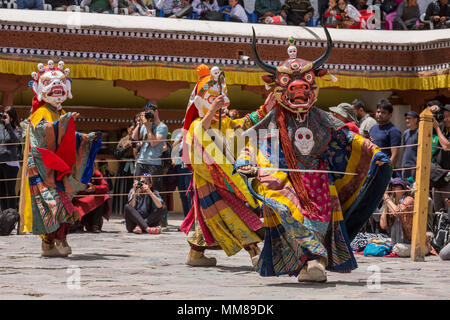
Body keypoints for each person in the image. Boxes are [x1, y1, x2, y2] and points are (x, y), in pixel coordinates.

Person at [237, 27, 392, 282]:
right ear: (277, 86)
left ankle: (315, 261)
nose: (299, 90)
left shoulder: (322, 118)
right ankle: (310, 260)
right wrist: (246, 161)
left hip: (320, 180)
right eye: (289, 83)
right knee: (291, 214)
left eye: (306, 82)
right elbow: (255, 143)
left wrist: (373, 153)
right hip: (285, 178)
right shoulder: (273, 121)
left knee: (319, 221)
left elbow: (348, 138)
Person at [180, 64, 275, 268]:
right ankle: (254, 251)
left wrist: (265, 108)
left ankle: (195, 254)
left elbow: (244, 125)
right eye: (213, 99)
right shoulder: (198, 123)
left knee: (207, 219)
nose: (220, 103)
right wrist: (213, 108)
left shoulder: (224, 124)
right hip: (209, 180)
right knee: (230, 213)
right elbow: (199, 132)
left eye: (221, 98)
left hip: (225, 180)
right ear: (199, 102)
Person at [23, 61, 102, 257]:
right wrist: (62, 123)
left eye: (61, 83)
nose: (56, 88)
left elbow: (68, 136)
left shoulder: (61, 112)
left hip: (60, 168)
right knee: (51, 204)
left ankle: (54, 241)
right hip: (44, 169)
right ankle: (53, 240)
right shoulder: (40, 113)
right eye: (50, 83)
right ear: (39, 89)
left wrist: (84, 138)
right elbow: (41, 135)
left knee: (64, 202)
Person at [132, 104, 168, 194]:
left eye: (150, 111)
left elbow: (153, 143)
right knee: (138, 187)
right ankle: (138, 207)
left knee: (152, 190)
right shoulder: (145, 125)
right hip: (141, 163)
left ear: (156, 111)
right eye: (146, 111)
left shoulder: (162, 127)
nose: (148, 113)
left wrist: (147, 126)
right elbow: (134, 137)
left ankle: (154, 208)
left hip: (152, 165)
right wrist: (139, 124)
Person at [380, 178, 415, 257]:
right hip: (397, 242)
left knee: (398, 248)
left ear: (403, 190)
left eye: (396, 186)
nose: (393, 188)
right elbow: (383, 225)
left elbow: (397, 212)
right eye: (392, 186)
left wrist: (386, 198)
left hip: (411, 242)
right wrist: (386, 203)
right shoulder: (392, 202)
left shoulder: (409, 199)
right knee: (372, 243)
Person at [369, 99, 402, 171]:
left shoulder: (394, 131)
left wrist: (387, 170)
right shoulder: (372, 128)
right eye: (378, 112)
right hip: (371, 167)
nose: (380, 114)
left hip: (384, 169)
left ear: (390, 115)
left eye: (383, 112)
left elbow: (395, 155)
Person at [112, 123, 135, 217]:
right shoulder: (122, 140)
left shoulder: (139, 139)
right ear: (128, 129)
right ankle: (124, 214)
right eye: (131, 128)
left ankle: (134, 213)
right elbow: (116, 155)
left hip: (135, 166)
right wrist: (124, 147)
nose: (132, 130)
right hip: (123, 168)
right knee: (123, 190)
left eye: (134, 129)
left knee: (134, 188)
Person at [0, 106, 20, 211]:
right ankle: (3, 216)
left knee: (10, 192)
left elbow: (16, 140)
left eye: (6, 114)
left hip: (10, 164)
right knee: (1, 192)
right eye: (3, 113)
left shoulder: (16, 128)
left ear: (11, 117)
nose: (3, 116)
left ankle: (12, 214)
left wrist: (8, 125)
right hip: (0, 162)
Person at [430, 104, 450, 212]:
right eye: (444, 116)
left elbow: (447, 146)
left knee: (448, 210)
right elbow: (423, 123)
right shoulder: (442, 127)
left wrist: (437, 127)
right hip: (437, 177)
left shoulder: (439, 128)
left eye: (448, 116)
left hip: (448, 178)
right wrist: (430, 110)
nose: (445, 119)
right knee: (438, 211)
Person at [171, 128, 193, 218]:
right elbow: (173, 146)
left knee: (190, 195)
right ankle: (186, 219)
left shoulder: (194, 133)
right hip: (180, 166)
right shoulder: (179, 134)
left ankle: (192, 220)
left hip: (190, 167)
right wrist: (180, 139)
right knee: (182, 194)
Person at [401, 111, 419, 182]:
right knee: (405, 186)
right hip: (405, 165)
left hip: (415, 165)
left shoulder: (419, 132)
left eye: (409, 118)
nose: (407, 120)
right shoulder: (405, 133)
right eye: (406, 119)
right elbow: (404, 147)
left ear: (415, 120)